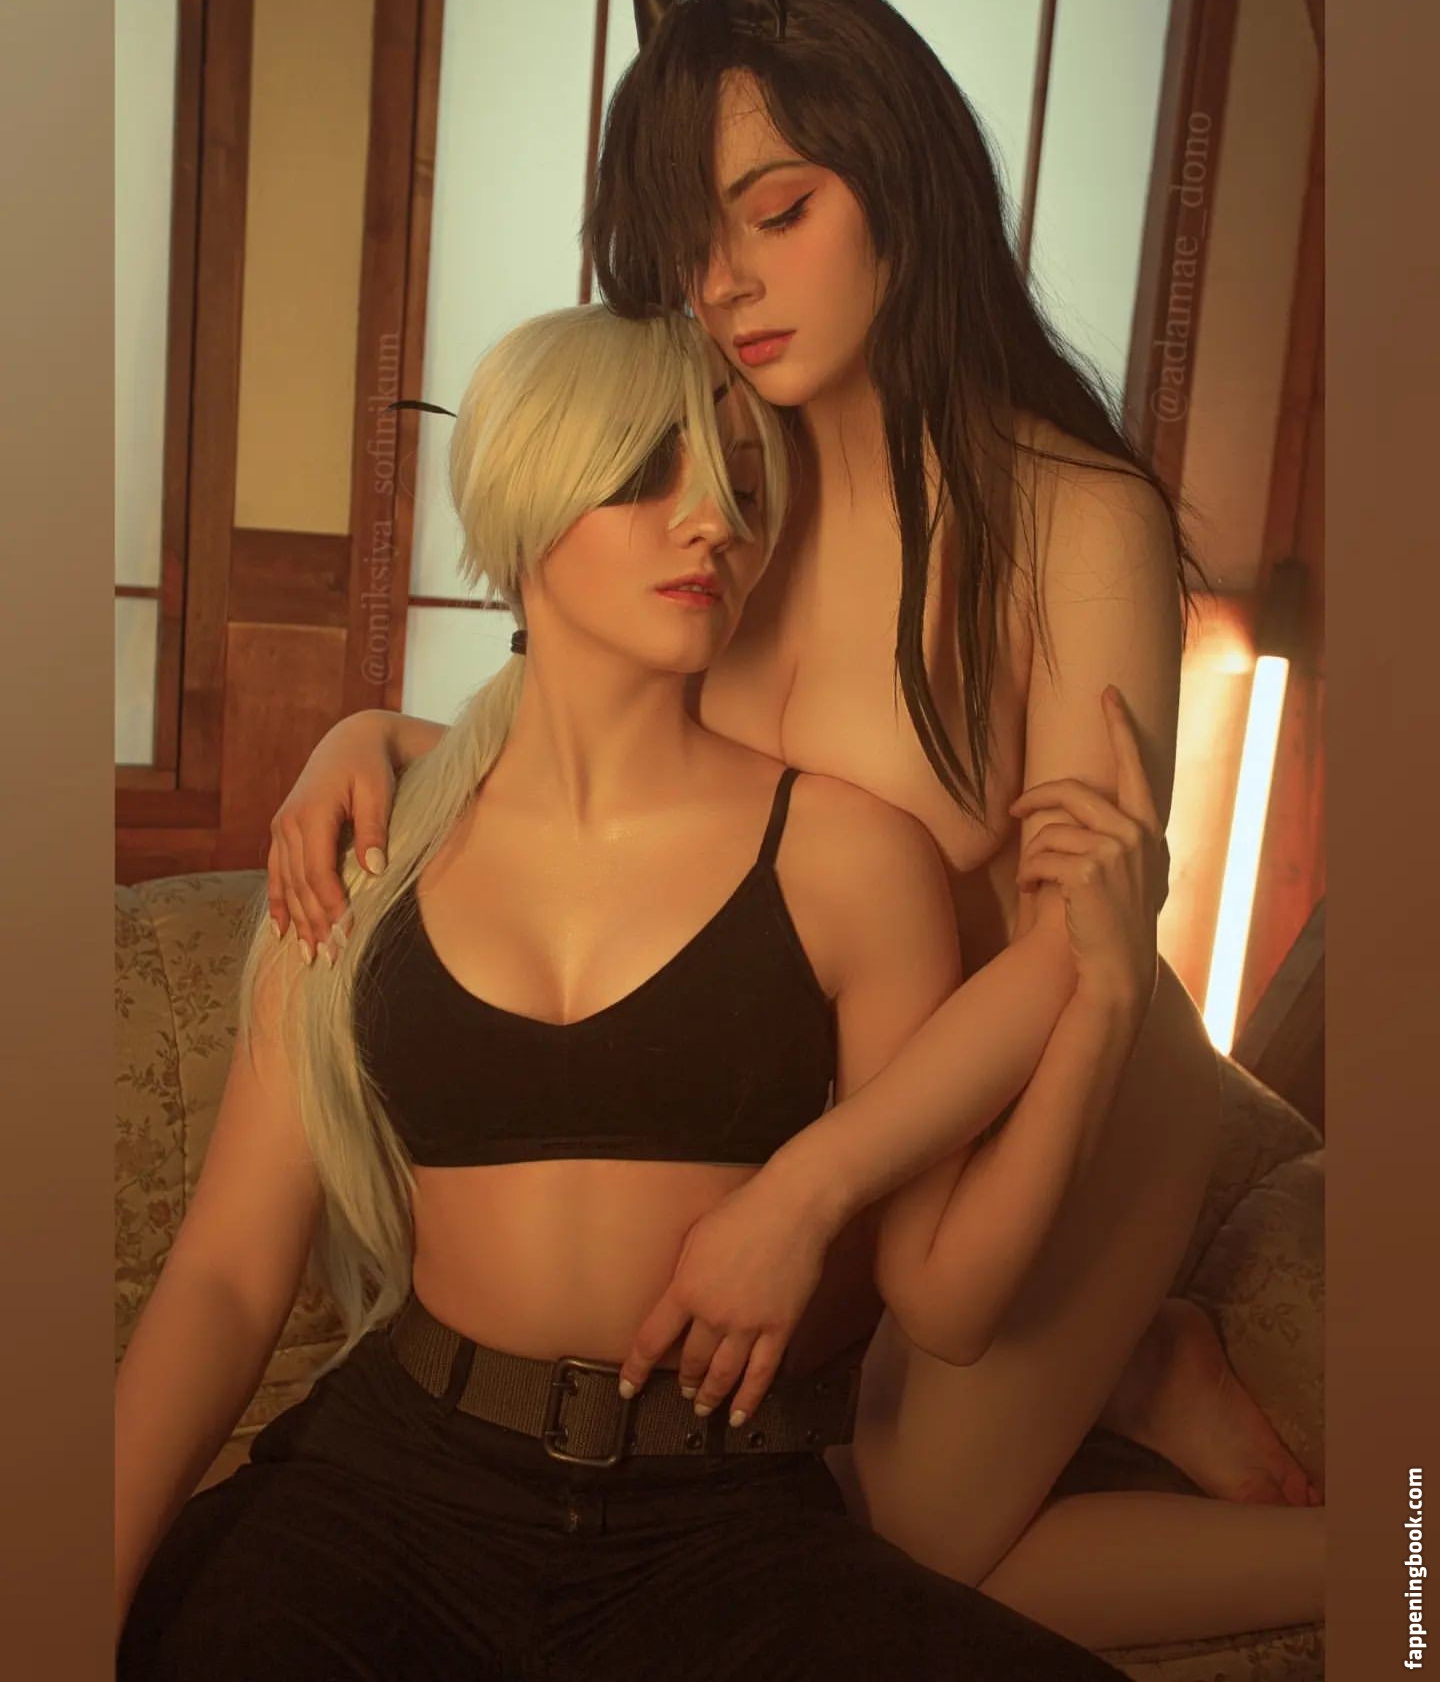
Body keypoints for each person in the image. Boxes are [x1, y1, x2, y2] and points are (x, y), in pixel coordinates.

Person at [259, 0, 1325, 1651]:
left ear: (902, 185)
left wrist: (804, 1188)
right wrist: (363, 736)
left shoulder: (1075, 516)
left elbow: (1086, 927)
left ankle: (1393, 1566)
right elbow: (622, 778)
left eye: (780, 212)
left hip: (1059, 1074)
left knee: (907, 1545)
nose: (727, 283)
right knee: (787, 1526)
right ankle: (1138, 1364)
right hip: (873, 1119)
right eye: (692, 241)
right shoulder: (724, 501)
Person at [116, 303, 1133, 1679]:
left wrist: (1106, 1002)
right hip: (388, 1494)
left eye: (742, 488)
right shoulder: (369, 843)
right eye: (650, 472)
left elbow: (948, 1302)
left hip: (721, 1528)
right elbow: (228, 1278)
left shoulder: (847, 859)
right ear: (527, 493)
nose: (712, 522)